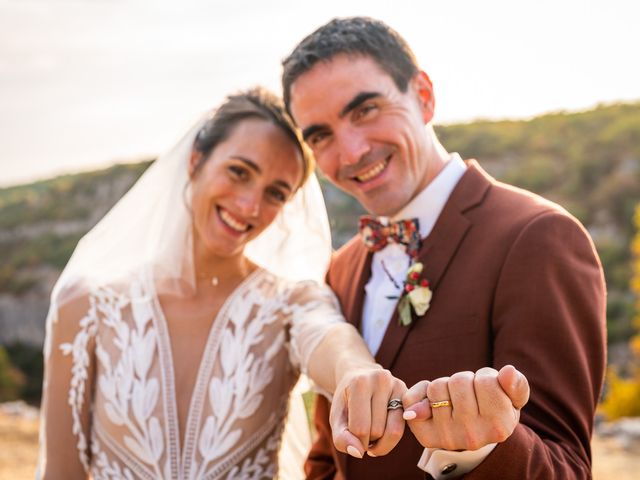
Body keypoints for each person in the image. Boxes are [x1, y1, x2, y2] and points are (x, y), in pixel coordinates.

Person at [282, 17, 606, 479]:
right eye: (321, 136)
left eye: (366, 110)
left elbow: (567, 468)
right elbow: (328, 456)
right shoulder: (344, 266)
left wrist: (478, 449)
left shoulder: (540, 237)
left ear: (424, 96)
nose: (350, 152)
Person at [36, 87, 410, 479]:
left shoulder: (290, 303)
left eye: (275, 193)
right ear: (196, 161)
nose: (249, 206)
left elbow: (329, 335)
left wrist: (354, 372)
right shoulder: (84, 305)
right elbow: (61, 473)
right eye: (239, 172)